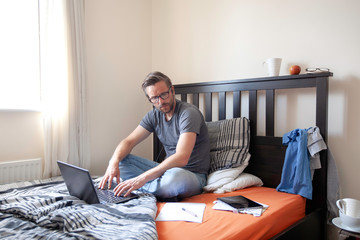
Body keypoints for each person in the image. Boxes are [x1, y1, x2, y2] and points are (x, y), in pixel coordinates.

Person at [99, 71, 210, 201]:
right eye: (154, 98)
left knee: (174, 179)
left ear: (172, 90)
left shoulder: (188, 113)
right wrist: (113, 162)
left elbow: (182, 158)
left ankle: (140, 187)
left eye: (164, 94)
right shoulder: (153, 116)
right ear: (150, 99)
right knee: (122, 161)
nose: (161, 101)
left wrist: (142, 178)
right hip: (164, 171)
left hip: (191, 175)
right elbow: (129, 142)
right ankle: (157, 190)